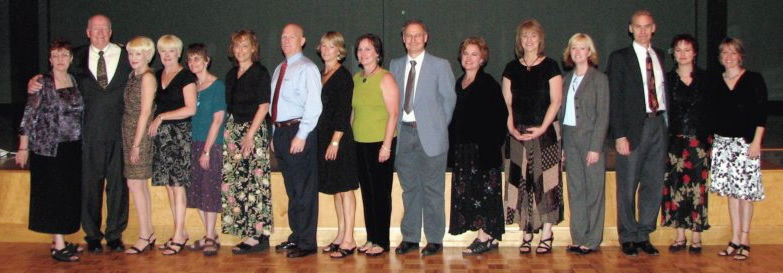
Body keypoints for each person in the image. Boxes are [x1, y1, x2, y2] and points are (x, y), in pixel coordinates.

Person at [28, 14, 131, 253]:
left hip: (119, 133)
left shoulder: (127, 56)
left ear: (111, 31)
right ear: (87, 32)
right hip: (87, 134)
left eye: (104, 29)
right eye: (95, 29)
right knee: (90, 188)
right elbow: (55, 74)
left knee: (118, 187)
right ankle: (92, 236)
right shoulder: (76, 57)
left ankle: (115, 235)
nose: (100, 33)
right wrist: (34, 81)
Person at [391, 19, 456, 257]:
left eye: (418, 35)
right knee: (409, 189)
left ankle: (435, 238)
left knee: (433, 190)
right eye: (408, 35)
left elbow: (449, 102)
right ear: (403, 39)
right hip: (404, 134)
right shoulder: (395, 65)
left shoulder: (440, 65)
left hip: (432, 136)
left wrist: (435, 128)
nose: (413, 39)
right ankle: (410, 236)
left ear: (426, 37)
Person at [607, 9, 669, 256]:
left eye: (647, 26)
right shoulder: (620, 58)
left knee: (653, 183)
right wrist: (619, 135)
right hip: (633, 128)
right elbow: (615, 99)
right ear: (630, 28)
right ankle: (628, 236)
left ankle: (644, 234)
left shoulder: (661, 56)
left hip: (658, 124)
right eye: (638, 26)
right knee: (627, 184)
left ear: (653, 28)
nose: (643, 31)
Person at [17, 39, 84, 262]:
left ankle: (61, 239)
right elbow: (29, 115)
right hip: (48, 149)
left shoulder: (73, 79)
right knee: (54, 197)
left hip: (72, 147)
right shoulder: (42, 83)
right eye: (55, 55)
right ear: (50, 59)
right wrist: (23, 146)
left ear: (71, 58)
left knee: (66, 196)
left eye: (64, 55)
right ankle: (58, 245)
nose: (60, 60)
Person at [502, 19, 563, 255]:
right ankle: (527, 231)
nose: (529, 41)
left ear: (540, 39)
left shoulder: (550, 66)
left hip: (545, 134)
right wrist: (511, 128)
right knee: (521, 183)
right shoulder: (511, 68)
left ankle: (546, 232)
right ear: (520, 40)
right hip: (517, 134)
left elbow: (556, 101)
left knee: (546, 183)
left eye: (533, 36)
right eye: (525, 36)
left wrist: (542, 127)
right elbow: (506, 102)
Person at [447, 37, 506, 255]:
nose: (469, 58)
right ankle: (485, 236)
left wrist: (490, 145)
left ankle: (486, 236)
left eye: (474, 54)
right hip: (463, 151)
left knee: (485, 193)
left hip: (483, 152)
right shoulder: (458, 83)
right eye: (465, 53)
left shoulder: (488, 83)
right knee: (471, 195)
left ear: (482, 59)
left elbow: (501, 117)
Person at [709, 37, 767, 261]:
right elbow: (713, 114)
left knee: (745, 194)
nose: (729, 57)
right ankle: (734, 239)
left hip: (746, 143)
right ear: (720, 57)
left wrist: (756, 142)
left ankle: (745, 239)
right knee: (732, 194)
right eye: (725, 53)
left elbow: (761, 113)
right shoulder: (717, 81)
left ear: (741, 55)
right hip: (723, 144)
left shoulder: (753, 79)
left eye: (733, 53)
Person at [271, 23, 323, 259]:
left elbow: (314, 105)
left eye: (292, 37)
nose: (286, 40)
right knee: (292, 191)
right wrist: (274, 135)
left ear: (302, 41)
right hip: (281, 134)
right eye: (283, 37)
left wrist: (301, 135)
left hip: (299, 131)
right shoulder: (279, 69)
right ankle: (296, 237)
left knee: (304, 191)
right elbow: (276, 105)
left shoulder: (307, 68)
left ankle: (307, 243)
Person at [221, 29, 274, 255]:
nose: (240, 50)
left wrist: (250, 135)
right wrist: (230, 134)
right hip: (234, 131)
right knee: (237, 184)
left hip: (254, 130)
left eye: (245, 46)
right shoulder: (231, 75)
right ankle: (245, 231)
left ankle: (259, 236)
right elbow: (230, 107)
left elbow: (264, 106)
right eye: (237, 46)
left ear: (254, 48)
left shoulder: (260, 72)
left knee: (255, 183)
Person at [661, 34, 712, 254]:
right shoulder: (667, 80)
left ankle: (696, 237)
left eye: (687, 49)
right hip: (674, 143)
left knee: (697, 190)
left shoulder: (706, 79)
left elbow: (712, 111)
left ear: (695, 52)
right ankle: (680, 235)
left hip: (698, 142)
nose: (682, 54)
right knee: (676, 187)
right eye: (678, 50)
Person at [558, 33, 609, 255]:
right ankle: (578, 238)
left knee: (593, 191)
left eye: (582, 48)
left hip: (590, 140)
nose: (578, 52)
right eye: (574, 48)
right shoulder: (566, 79)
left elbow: (603, 115)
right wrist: (561, 147)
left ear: (590, 52)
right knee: (576, 190)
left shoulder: (599, 79)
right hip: (570, 139)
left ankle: (592, 239)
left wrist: (595, 147)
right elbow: (561, 115)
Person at [148, 34, 197, 255]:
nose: (166, 55)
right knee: (169, 185)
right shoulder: (157, 75)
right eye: (163, 51)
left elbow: (191, 109)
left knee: (178, 185)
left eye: (171, 51)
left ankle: (179, 236)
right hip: (162, 137)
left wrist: (162, 117)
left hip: (179, 135)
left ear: (179, 52)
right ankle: (180, 231)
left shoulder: (186, 76)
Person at [352, 33, 400, 257]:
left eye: (368, 49)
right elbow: (354, 113)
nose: (363, 53)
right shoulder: (355, 78)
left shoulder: (385, 78)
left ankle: (382, 240)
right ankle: (371, 237)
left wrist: (386, 146)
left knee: (381, 194)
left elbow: (393, 114)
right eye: (360, 49)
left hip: (380, 143)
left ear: (378, 53)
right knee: (367, 194)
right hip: (360, 143)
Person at [315, 31, 360, 258]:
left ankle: (350, 239)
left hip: (339, 139)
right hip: (324, 138)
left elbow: (344, 112)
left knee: (346, 188)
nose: (325, 50)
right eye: (323, 46)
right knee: (336, 189)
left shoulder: (343, 76)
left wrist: (335, 141)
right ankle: (341, 235)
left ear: (339, 50)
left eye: (330, 46)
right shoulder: (321, 74)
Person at [186, 43, 226, 256]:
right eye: (190, 60)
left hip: (211, 145)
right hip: (193, 143)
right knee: (196, 191)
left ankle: (211, 236)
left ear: (207, 60)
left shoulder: (217, 86)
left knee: (209, 191)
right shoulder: (192, 87)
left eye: (197, 59)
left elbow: (218, 120)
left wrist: (207, 150)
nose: (193, 63)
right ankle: (209, 233)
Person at [121, 36, 158, 254]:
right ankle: (148, 232)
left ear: (147, 55)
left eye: (139, 53)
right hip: (128, 131)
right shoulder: (132, 75)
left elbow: (145, 112)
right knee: (137, 185)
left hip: (140, 135)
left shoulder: (147, 77)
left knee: (136, 184)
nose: (134, 58)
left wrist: (136, 144)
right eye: (131, 53)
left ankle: (145, 235)